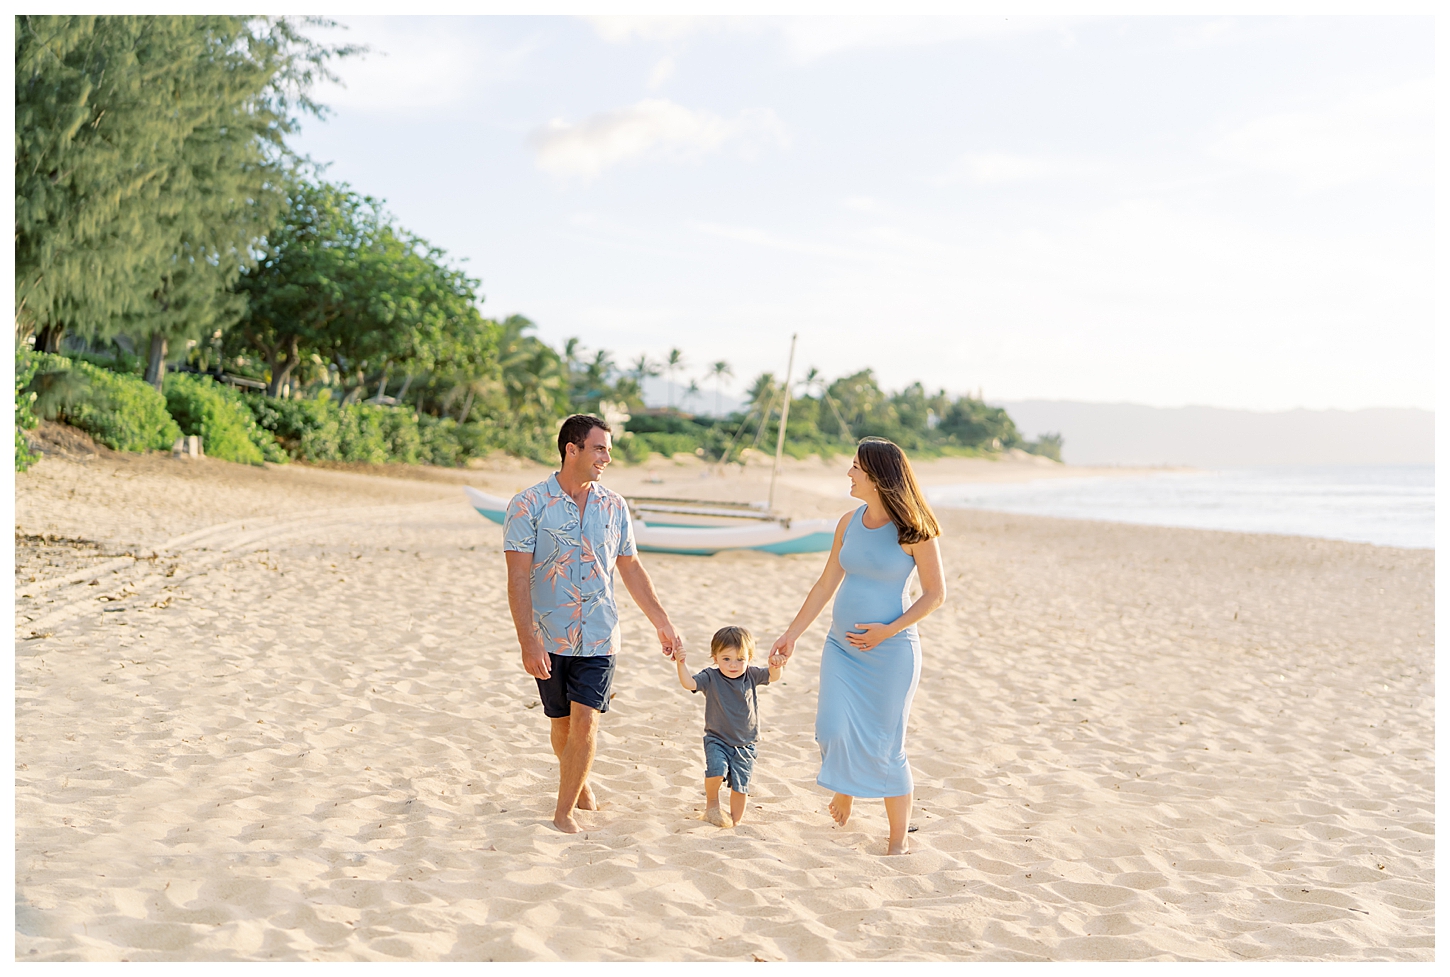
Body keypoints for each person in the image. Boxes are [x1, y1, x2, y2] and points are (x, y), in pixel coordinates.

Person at [504, 414, 684, 834]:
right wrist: (527, 641)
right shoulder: (528, 504)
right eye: (600, 448)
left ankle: (563, 812)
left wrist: (662, 621)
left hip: (601, 633)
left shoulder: (614, 505)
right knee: (561, 723)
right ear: (573, 450)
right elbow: (517, 578)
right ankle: (578, 782)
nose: (607, 457)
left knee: (586, 720)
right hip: (548, 634)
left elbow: (631, 566)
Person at [769, 437, 946, 855]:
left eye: (855, 467)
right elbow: (827, 582)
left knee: (887, 743)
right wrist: (792, 634)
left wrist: (887, 630)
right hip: (841, 649)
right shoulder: (848, 522)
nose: (848, 474)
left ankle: (898, 840)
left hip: (892, 653)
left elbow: (934, 594)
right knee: (831, 728)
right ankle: (845, 787)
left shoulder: (914, 528)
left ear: (877, 476)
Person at [672, 626, 785, 827]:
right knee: (716, 770)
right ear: (715, 658)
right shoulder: (710, 677)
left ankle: (734, 821)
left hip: (745, 743)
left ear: (749, 658)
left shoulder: (752, 675)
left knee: (741, 787)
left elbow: (774, 676)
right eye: (726, 659)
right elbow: (689, 683)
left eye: (740, 659)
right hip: (717, 738)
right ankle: (712, 803)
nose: (733, 665)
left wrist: (776, 665)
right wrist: (681, 664)